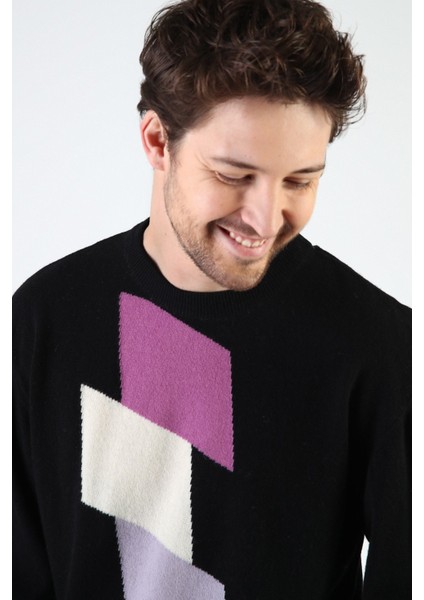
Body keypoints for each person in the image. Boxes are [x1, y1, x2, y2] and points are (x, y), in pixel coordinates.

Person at [13, 0, 411, 598]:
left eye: (300, 180)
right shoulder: (43, 320)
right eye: (233, 175)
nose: (265, 219)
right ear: (157, 141)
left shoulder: (378, 343)